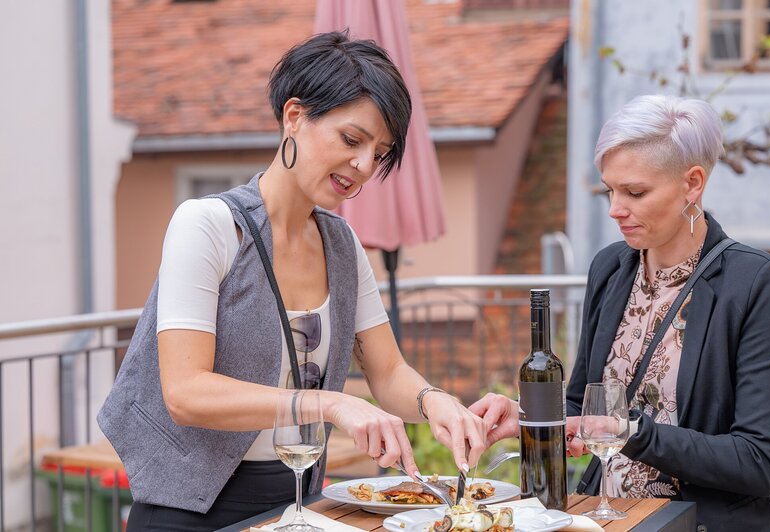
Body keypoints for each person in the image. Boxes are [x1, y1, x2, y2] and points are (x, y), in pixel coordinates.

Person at [97, 32, 486, 530]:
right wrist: (330, 403)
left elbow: (387, 374)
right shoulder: (208, 225)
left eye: (379, 152)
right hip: (189, 508)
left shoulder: (342, 245)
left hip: (300, 501)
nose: (364, 166)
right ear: (294, 117)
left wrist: (437, 403)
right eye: (351, 140)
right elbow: (186, 392)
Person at [471, 94, 770, 530]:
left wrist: (632, 433)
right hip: (606, 517)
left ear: (693, 183)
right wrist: (529, 417)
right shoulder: (611, 267)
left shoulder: (757, 282)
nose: (614, 209)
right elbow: (583, 404)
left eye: (635, 192)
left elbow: (757, 463)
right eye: (610, 189)